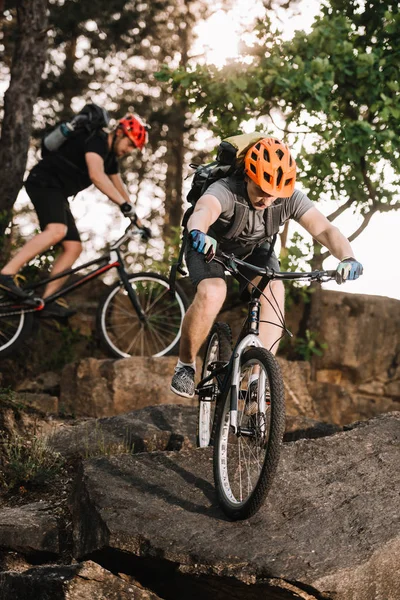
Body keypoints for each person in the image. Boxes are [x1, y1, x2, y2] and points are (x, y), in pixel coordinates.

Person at [170, 136, 363, 398]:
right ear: (248, 176)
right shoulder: (226, 190)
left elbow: (325, 229)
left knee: (274, 291)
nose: (267, 199)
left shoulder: (288, 198)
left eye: (275, 194)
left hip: (253, 250)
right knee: (213, 292)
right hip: (208, 243)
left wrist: (347, 257)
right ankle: (185, 365)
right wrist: (199, 232)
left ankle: (256, 381)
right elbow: (204, 210)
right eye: (261, 189)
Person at [0, 113, 149, 318]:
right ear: (120, 132)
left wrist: (138, 220)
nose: (129, 151)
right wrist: (123, 205)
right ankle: (6, 275)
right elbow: (96, 175)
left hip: (58, 193)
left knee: (73, 247)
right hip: (43, 183)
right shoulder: (96, 141)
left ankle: (47, 301)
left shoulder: (110, 157)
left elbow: (118, 185)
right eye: (130, 144)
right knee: (57, 230)